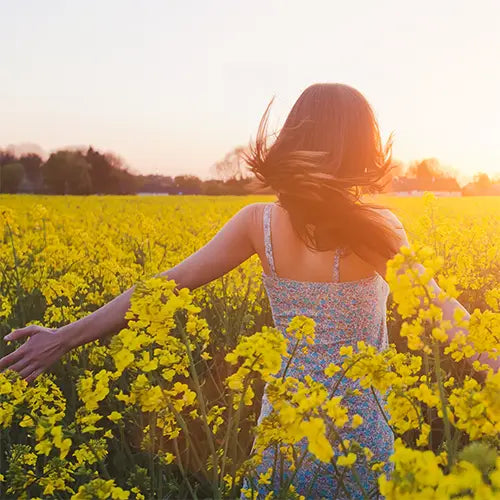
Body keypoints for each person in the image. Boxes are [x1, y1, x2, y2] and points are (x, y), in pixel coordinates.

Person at [0, 83, 497, 498]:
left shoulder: (255, 224)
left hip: (283, 426)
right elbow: (443, 310)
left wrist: (64, 337)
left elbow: (156, 290)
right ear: (361, 149)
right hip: (359, 427)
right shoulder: (377, 228)